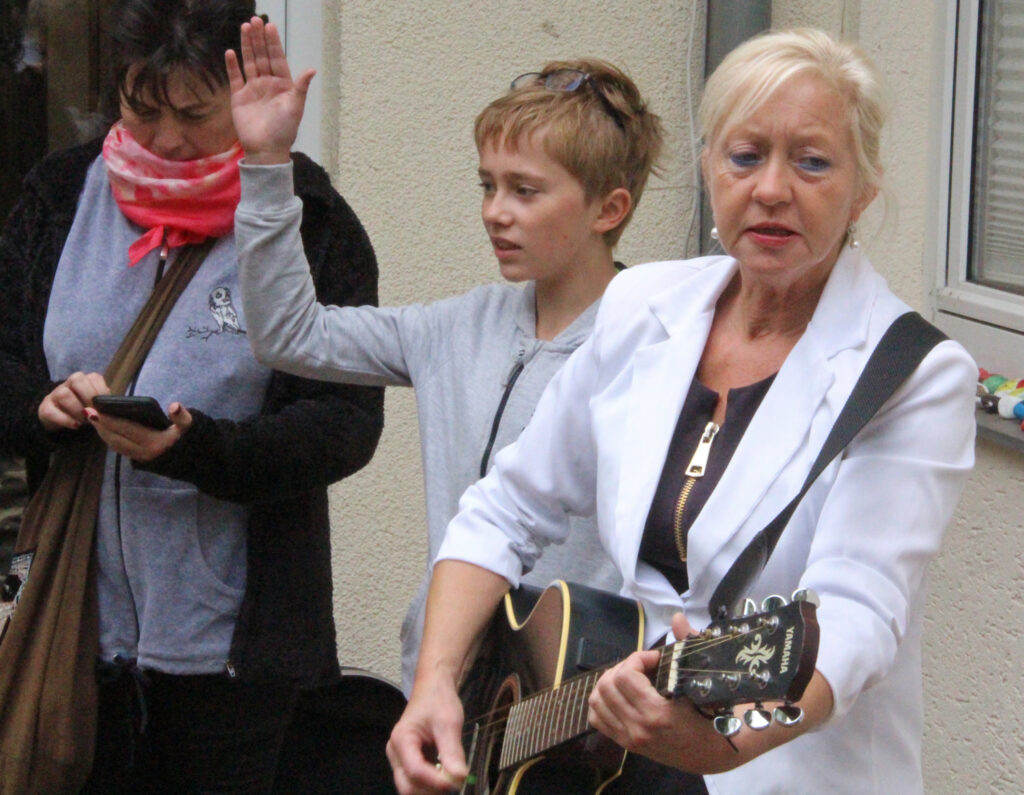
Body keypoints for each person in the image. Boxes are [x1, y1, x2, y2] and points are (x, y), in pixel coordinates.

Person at [386, 27, 977, 795]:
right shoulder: (641, 306)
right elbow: (506, 504)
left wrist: (719, 746)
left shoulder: (912, 374)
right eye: (744, 155)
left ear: (863, 189)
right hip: (626, 764)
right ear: (707, 168)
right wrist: (436, 681)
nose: (770, 187)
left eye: (813, 161)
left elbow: (858, 610)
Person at [0, 0, 383, 791]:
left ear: (242, 101)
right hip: (72, 629)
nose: (166, 139)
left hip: (235, 659)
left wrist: (197, 448)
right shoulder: (60, 195)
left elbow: (344, 423)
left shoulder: (306, 219)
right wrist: (41, 409)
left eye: (194, 114)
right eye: (143, 110)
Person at [228, 19, 664, 693]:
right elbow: (289, 334)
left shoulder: (661, 349)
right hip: (443, 699)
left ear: (609, 209)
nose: (495, 211)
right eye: (487, 185)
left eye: (525, 190)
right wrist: (264, 165)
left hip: (578, 716)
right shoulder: (455, 326)